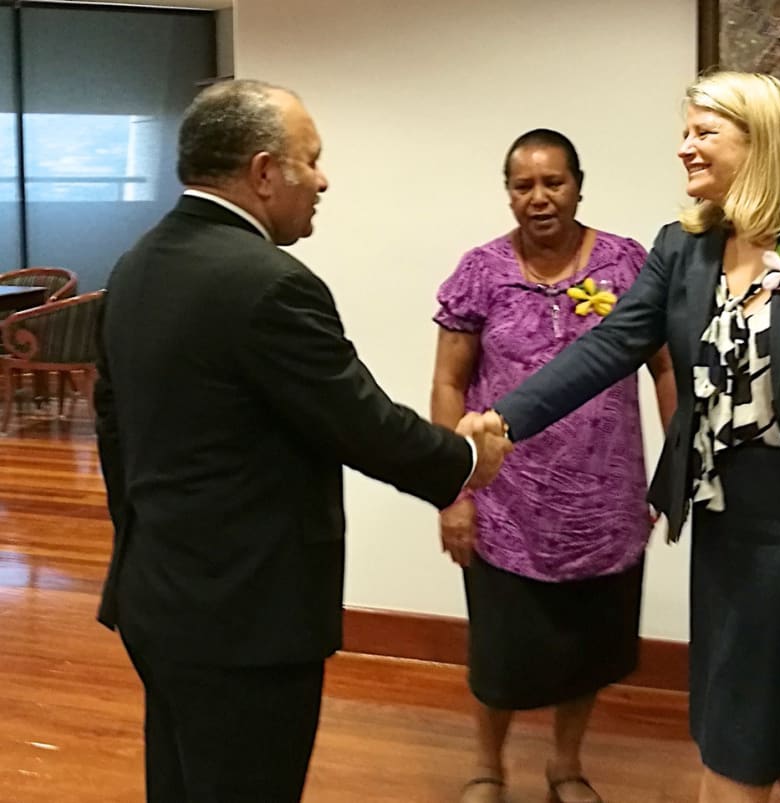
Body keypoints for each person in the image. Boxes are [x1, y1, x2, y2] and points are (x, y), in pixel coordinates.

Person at [466, 72, 780, 803]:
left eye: (703, 132)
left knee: (772, 719)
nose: (684, 147)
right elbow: (610, 347)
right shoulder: (682, 249)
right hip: (726, 520)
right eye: (685, 132)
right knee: (741, 710)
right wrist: (505, 419)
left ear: (759, 140)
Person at [93, 79, 510, 803]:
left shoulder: (136, 264)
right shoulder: (270, 284)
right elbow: (361, 424)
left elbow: (112, 426)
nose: (322, 179)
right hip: (245, 619)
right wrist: (468, 460)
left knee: (181, 779)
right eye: (309, 160)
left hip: (156, 594)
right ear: (262, 173)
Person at [430, 128, 675, 803]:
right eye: (523, 185)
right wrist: (452, 491)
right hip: (505, 504)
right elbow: (449, 385)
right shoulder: (480, 271)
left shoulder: (630, 265)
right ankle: (488, 765)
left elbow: (664, 366)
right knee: (500, 653)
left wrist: (675, 466)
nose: (539, 198)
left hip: (605, 499)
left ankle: (565, 764)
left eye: (553, 182)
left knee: (587, 648)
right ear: (508, 193)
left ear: (578, 184)